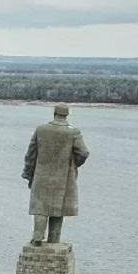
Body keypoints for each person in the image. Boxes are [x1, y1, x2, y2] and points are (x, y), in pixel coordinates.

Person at [22, 104, 90, 244]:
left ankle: (37, 237)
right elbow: (83, 153)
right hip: (63, 177)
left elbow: (31, 154)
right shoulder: (73, 132)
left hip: (41, 175)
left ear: (54, 113)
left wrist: (28, 174)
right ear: (67, 115)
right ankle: (54, 240)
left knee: (40, 207)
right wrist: (74, 165)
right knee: (58, 208)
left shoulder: (41, 130)